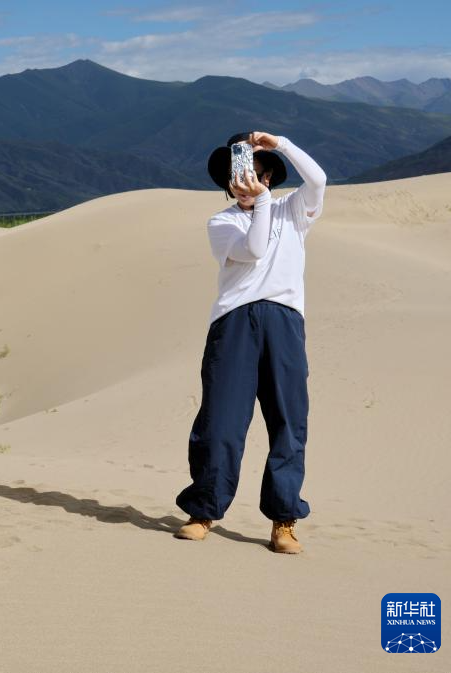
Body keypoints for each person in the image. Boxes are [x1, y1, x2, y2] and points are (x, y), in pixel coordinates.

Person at [174, 131, 326, 554]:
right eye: (238, 174)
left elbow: (318, 180)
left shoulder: (293, 211)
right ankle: (203, 511)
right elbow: (255, 249)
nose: (245, 181)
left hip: (285, 322)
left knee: (288, 423)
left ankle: (283, 520)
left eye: (255, 173)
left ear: (270, 176)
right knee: (220, 423)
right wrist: (259, 202)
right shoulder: (222, 223)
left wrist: (281, 144)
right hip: (234, 323)